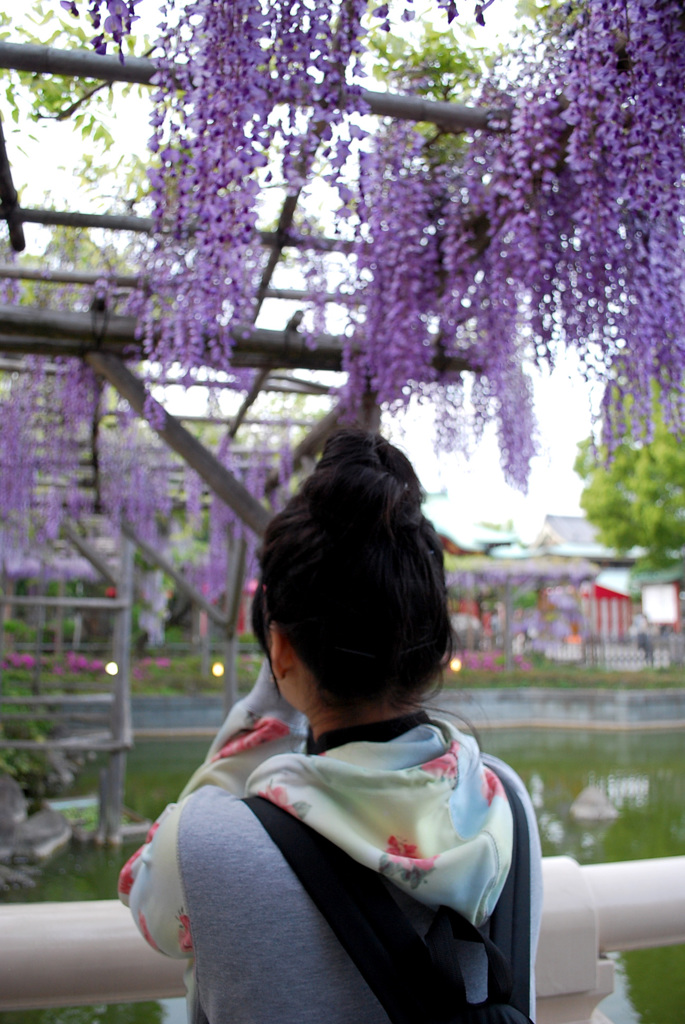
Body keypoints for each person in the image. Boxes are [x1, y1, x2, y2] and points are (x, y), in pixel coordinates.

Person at [118, 429, 542, 1024]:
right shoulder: (508, 805)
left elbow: (144, 896)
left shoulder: (205, 842)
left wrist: (269, 707)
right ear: (434, 644)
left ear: (280, 649)